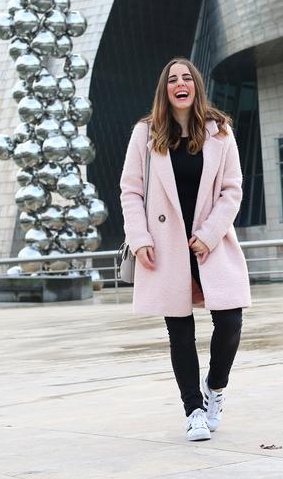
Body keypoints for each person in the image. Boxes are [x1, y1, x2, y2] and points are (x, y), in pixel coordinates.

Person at [120, 57, 251, 441]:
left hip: (210, 244)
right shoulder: (145, 133)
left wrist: (210, 233)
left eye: (187, 78)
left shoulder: (219, 131)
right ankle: (193, 408)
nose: (180, 83)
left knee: (229, 321)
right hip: (165, 246)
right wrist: (140, 237)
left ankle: (215, 387)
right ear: (165, 90)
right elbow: (131, 190)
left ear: (196, 86)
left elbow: (232, 189)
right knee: (180, 331)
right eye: (172, 79)